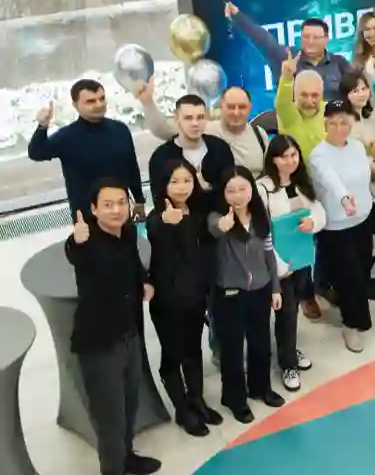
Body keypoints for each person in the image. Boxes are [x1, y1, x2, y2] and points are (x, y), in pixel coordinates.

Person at [66, 179, 161, 475]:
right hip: (99, 344)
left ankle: (127, 456)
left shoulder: (127, 232)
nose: (117, 210)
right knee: (110, 418)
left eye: (121, 202)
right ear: (94, 209)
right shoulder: (87, 241)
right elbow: (76, 254)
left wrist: (144, 281)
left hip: (129, 334)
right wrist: (76, 241)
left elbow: (134, 264)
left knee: (130, 404)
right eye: (108, 205)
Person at [145, 159, 222, 438]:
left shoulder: (197, 211)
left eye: (187, 180)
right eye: (174, 181)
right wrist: (167, 223)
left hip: (195, 295)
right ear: (163, 185)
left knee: (193, 350)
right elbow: (155, 234)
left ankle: (197, 399)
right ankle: (182, 409)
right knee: (173, 354)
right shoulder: (158, 216)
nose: (181, 187)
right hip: (168, 300)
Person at [207, 167, 284, 423]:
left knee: (261, 342)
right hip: (229, 294)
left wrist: (275, 288)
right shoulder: (216, 217)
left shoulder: (261, 217)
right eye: (231, 190)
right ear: (222, 193)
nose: (237, 195)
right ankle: (234, 399)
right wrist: (222, 226)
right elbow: (213, 229)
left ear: (252, 189)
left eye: (243, 188)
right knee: (232, 349)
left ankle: (261, 388)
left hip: (261, 290)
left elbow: (269, 254)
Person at [256, 135, 326, 391]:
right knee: (285, 312)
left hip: (301, 258)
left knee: (293, 309)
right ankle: (287, 364)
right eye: (283, 156)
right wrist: (277, 264)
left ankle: (289, 348)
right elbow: (260, 230)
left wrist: (313, 222)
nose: (290, 161)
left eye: (294, 155)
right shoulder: (262, 188)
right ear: (272, 160)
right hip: (278, 263)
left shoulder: (302, 183)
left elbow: (318, 210)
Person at [309, 101, 375, 350]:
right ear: (325, 124)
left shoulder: (357, 147)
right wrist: (344, 197)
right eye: (333, 123)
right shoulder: (318, 155)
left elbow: (365, 172)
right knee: (349, 277)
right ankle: (351, 325)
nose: (339, 128)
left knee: (361, 271)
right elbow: (331, 179)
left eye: (344, 123)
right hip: (337, 226)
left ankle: (350, 308)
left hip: (362, 220)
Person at [29, 79, 146, 218]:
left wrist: (139, 200)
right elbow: (36, 153)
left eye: (102, 99)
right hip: (87, 216)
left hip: (121, 211)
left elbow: (132, 168)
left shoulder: (120, 130)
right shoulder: (67, 137)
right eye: (91, 101)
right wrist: (42, 126)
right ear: (75, 105)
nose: (99, 104)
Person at [227, 2, 355, 102]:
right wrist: (238, 16)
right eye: (306, 37)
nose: (310, 41)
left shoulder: (339, 63)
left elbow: (356, 91)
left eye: (316, 37)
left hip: (333, 124)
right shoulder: (286, 57)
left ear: (326, 39)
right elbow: (263, 40)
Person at [138, 84, 271, 177]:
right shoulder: (204, 129)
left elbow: (270, 173)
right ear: (221, 107)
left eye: (242, 107)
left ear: (250, 107)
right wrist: (147, 102)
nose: (236, 112)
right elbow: (162, 129)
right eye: (231, 107)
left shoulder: (259, 134)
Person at [341, 71, 375, 300]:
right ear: (346, 94)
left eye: (364, 89)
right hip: (359, 187)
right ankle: (359, 283)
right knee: (365, 237)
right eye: (355, 90)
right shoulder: (345, 123)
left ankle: (365, 277)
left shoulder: (370, 117)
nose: (361, 94)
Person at [147, 94, 236, 211]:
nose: (195, 123)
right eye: (188, 118)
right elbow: (159, 202)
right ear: (176, 118)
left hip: (221, 218)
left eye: (200, 117)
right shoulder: (161, 157)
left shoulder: (220, 148)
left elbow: (231, 190)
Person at [275, 51, 326, 161]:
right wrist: (287, 78)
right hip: (297, 170)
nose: (309, 101)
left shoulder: (330, 111)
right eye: (304, 95)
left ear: (322, 95)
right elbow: (282, 103)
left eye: (315, 95)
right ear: (295, 94)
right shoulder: (288, 115)